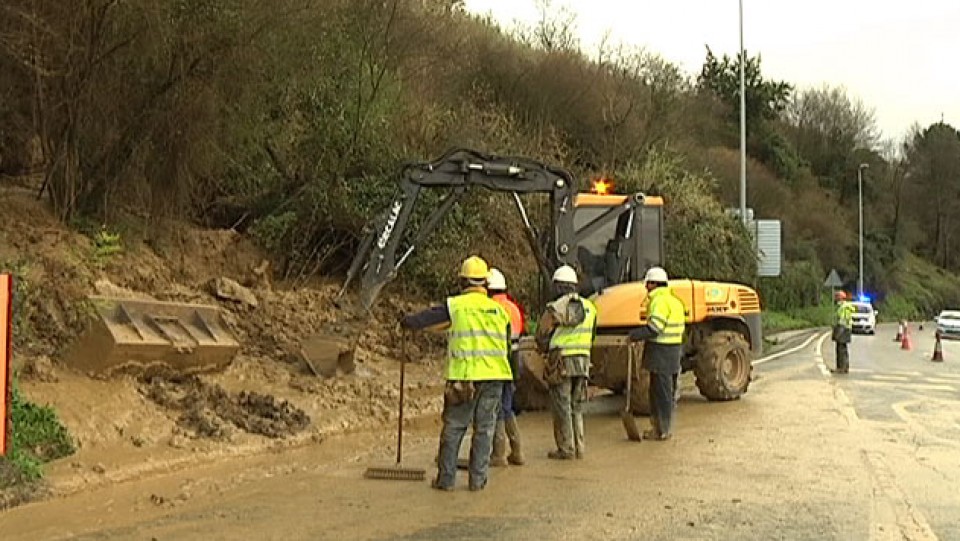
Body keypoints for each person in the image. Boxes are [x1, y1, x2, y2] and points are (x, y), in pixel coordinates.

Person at [401, 255, 512, 491]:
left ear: (462, 282)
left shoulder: (456, 306)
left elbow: (427, 318)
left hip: (465, 377)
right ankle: (478, 481)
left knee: (454, 427)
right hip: (495, 377)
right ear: (485, 283)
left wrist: (407, 322)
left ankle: (446, 480)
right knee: (484, 429)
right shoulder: (499, 311)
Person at [535, 265, 597, 460]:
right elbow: (592, 335)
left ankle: (566, 448)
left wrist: (544, 349)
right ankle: (579, 447)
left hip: (561, 362)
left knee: (562, 405)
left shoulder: (555, 308)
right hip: (583, 361)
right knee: (576, 406)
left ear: (559, 286)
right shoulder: (590, 307)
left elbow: (541, 335)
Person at [628, 266, 685, 441]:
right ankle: (663, 428)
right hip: (674, 351)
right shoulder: (674, 300)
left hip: (661, 352)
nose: (646, 288)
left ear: (653, 284)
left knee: (660, 394)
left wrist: (634, 335)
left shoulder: (659, 301)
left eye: (648, 284)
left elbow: (655, 328)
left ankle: (661, 430)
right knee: (667, 392)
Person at [487, 268, 526, 467]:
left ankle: (499, 454)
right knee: (508, 406)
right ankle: (517, 450)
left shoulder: (489, 308)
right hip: (513, 363)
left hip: (495, 364)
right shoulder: (513, 307)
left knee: (497, 409)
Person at [831, 291, 855, 374]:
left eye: (837, 296)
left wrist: (838, 331)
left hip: (843, 329)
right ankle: (844, 367)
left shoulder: (843, 307)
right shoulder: (844, 306)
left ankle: (841, 368)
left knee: (840, 349)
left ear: (841, 297)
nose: (835, 298)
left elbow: (843, 320)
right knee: (843, 349)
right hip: (845, 328)